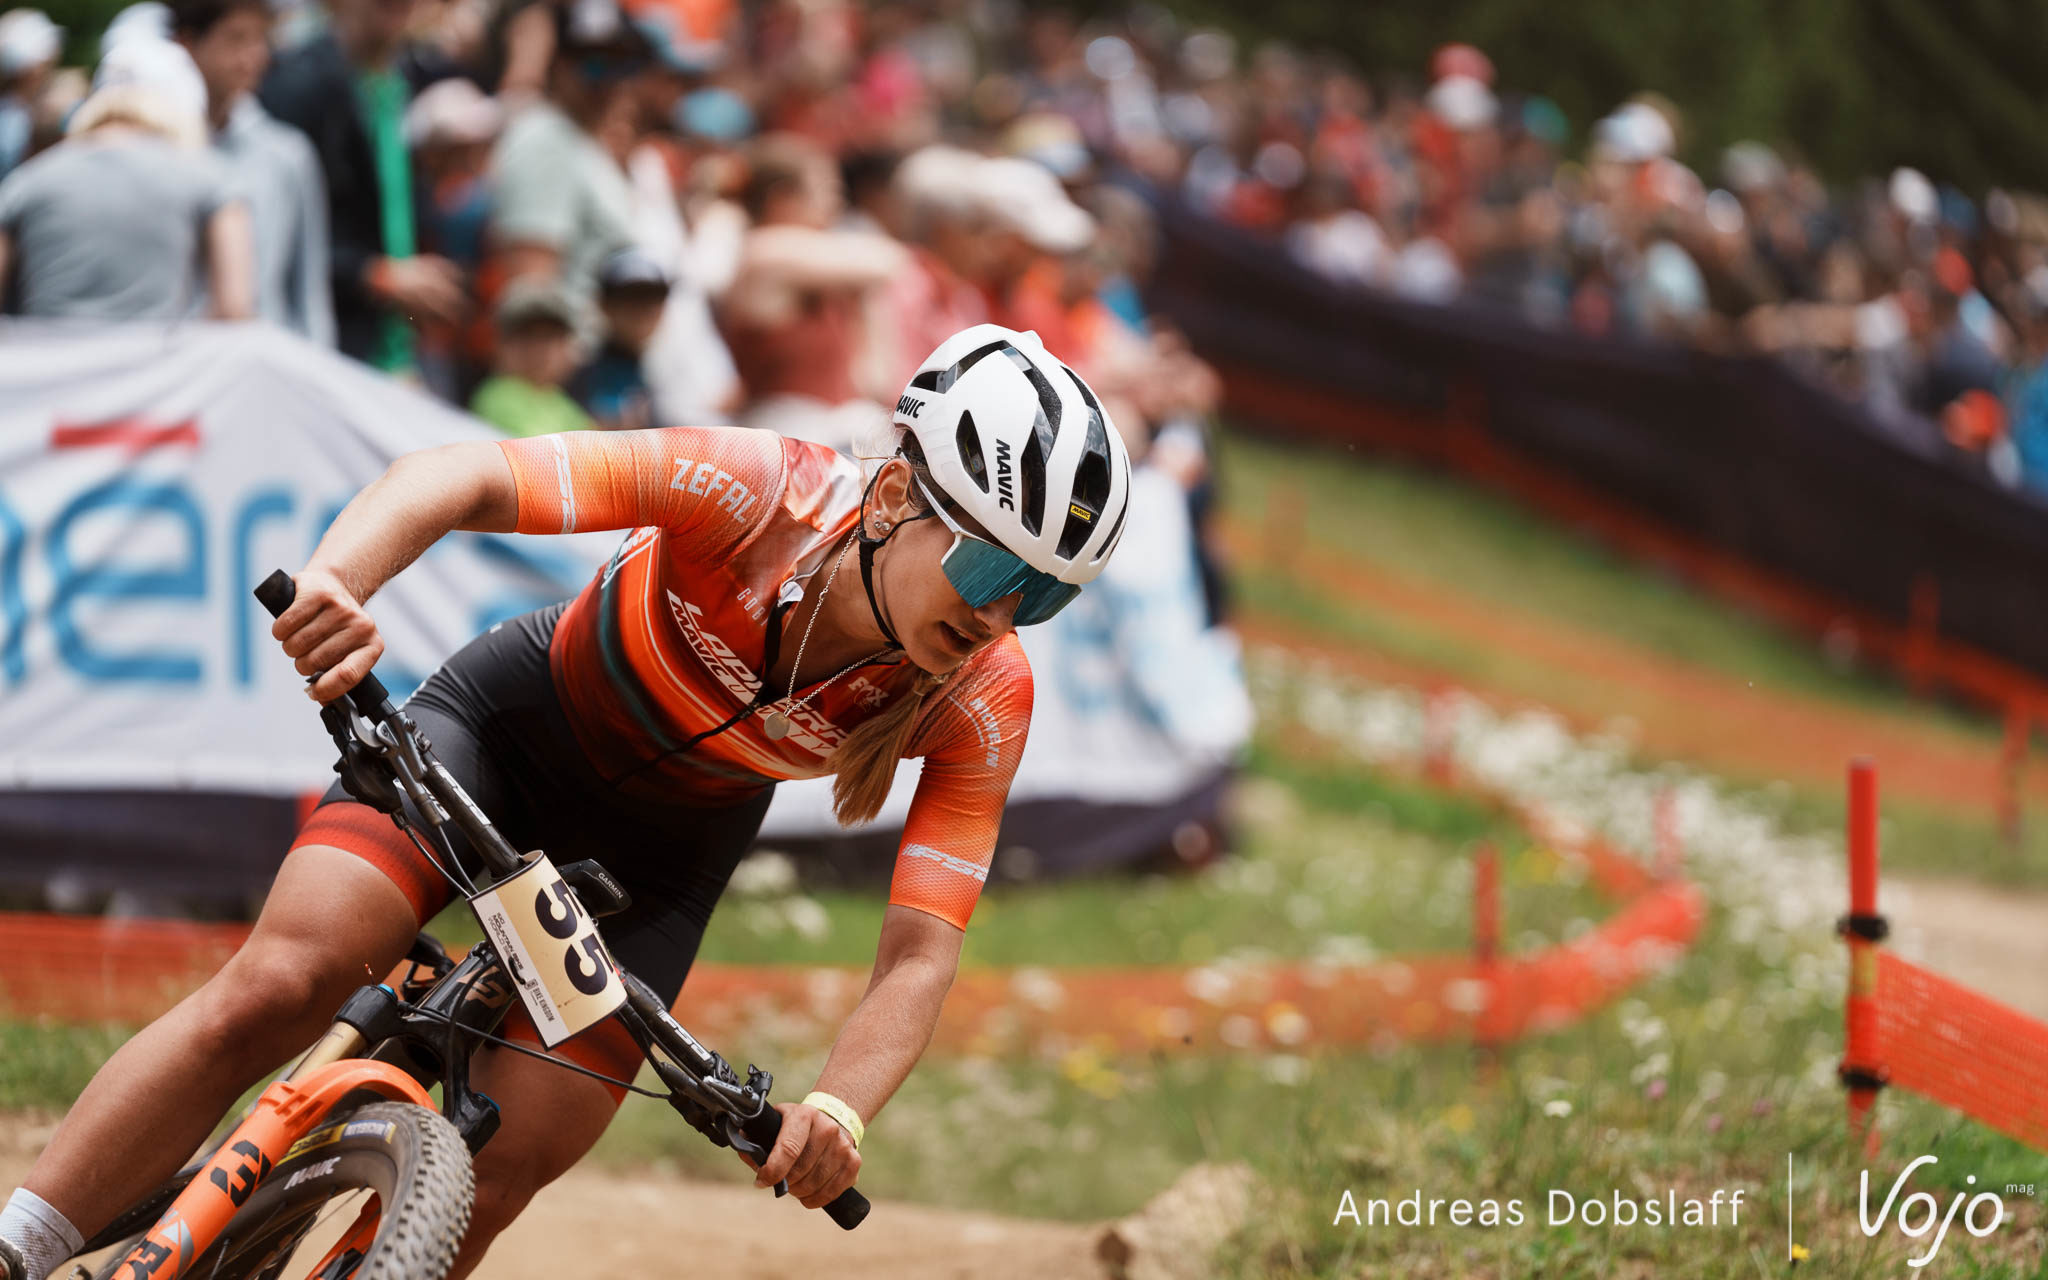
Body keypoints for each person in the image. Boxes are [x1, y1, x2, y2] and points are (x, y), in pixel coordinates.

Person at [0, 323, 1132, 1280]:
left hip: (652, 867)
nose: (1000, 617)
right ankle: (19, 1246)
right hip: (504, 736)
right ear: (891, 495)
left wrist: (838, 1110)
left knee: (510, 1160)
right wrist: (343, 576)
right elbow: (468, 475)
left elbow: (920, 954)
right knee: (284, 981)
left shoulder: (985, 693)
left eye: (1041, 596)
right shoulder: (756, 489)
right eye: (993, 569)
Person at [260, 0, 465, 370]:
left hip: (392, 351)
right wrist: (375, 276)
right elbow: (273, 236)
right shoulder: (298, 85)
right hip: (321, 351)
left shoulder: (407, 79)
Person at [0, 45, 254, 323]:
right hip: (164, 351)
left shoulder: (27, 181)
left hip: (47, 349)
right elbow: (233, 308)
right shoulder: (211, 179)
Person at [173, 0, 335, 343]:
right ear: (186, 44)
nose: (254, 56)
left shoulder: (288, 154)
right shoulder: (161, 153)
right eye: (236, 38)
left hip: (266, 360)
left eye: (261, 39)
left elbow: (308, 288)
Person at [468, 277, 594, 437]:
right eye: (527, 336)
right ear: (501, 345)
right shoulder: (496, 397)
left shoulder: (568, 408)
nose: (540, 349)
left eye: (550, 337)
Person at [568, 246, 669, 429]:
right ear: (603, 304)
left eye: (652, 298)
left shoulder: (670, 369)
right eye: (630, 299)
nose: (642, 310)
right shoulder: (579, 375)